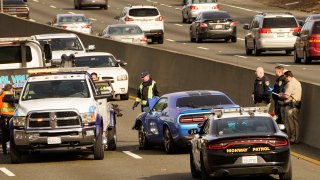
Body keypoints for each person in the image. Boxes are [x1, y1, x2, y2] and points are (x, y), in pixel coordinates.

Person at [279, 71, 302, 144]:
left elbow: (286, 95)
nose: (285, 79)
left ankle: (292, 138)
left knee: (290, 123)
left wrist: (280, 95)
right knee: (294, 122)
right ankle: (295, 138)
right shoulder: (297, 82)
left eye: (285, 77)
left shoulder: (290, 84)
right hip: (295, 105)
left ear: (289, 76)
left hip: (290, 106)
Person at [0, 84, 15, 154]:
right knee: (11, 134)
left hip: (2, 117)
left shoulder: (1, 96)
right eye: (12, 89)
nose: (13, 91)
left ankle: (4, 150)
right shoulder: (9, 95)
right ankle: (12, 150)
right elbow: (12, 105)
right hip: (9, 117)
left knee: (4, 135)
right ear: (10, 89)